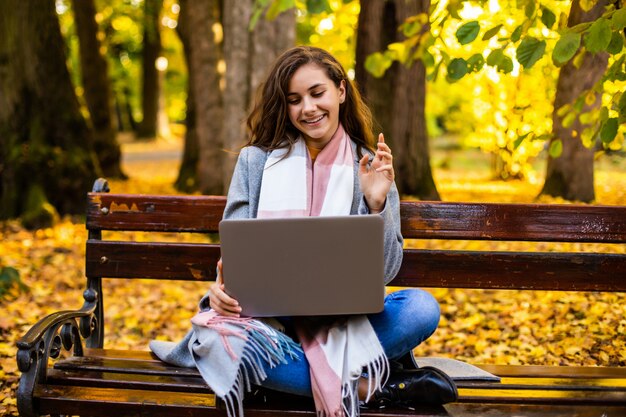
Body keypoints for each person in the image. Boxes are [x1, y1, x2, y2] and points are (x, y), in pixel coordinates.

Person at [150, 46, 457, 417]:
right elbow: (236, 253)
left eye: (317, 93)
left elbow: (387, 271)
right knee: (216, 339)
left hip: (344, 321)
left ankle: (286, 377)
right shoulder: (256, 161)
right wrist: (221, 291)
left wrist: (376, 205)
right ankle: (372, 389)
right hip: (268, 324)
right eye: (294, 100)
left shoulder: (369, 164)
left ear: (340, 91)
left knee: (421, 309)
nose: (307, 109)